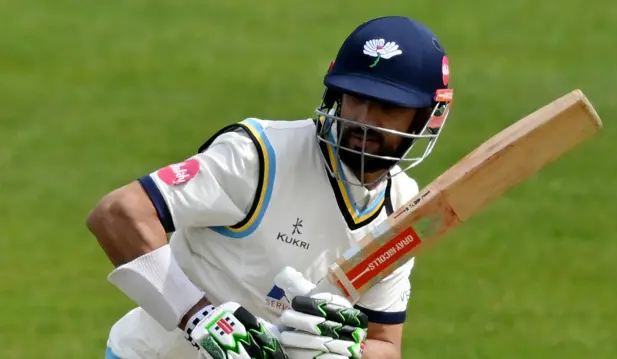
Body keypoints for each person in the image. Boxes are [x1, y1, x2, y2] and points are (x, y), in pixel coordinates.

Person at [87, 15, 454, 359]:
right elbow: (118, 214)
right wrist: (200, 318)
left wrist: (344, 349)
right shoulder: (260, 157)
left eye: (388, 107)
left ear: (429, 116)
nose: (363, 120)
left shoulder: (402, 207)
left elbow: (385, 343)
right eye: (356, 98)